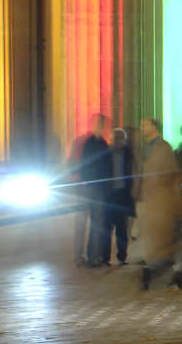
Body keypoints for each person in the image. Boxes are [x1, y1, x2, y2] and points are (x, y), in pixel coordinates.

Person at [135, 117, 182, 290]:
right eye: (142, 125)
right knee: (160, 243)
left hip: (163, 202)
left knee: (167, 242)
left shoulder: (164, 148)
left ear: (155, 127)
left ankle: (155, 274)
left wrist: (176, 202)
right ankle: (167, 274)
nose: (142, 127)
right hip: (148, 200)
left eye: (145, 125)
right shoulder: (143, 149)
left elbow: (173, 176)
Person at [71, 114, 113, 266]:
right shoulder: (84, 142)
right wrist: (83, 181)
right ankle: (79, 256)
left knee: (96, 223)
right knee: (82, 223)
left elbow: (107, 167)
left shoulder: (103, 143)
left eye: (101, 124)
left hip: (97, 189)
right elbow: (80, 164)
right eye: (97, 123)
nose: (100, 127)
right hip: (86, 187)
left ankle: (92, 256)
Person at [104, 126, 135, 266]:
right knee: (107, 228)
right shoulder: (106, 154)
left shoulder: (128, 154)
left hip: (122, 195)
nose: (121, 142)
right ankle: (105, 258)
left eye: (122, 139)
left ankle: (122, 256)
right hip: (110, 196)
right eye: (118, 139)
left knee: (122, 229)